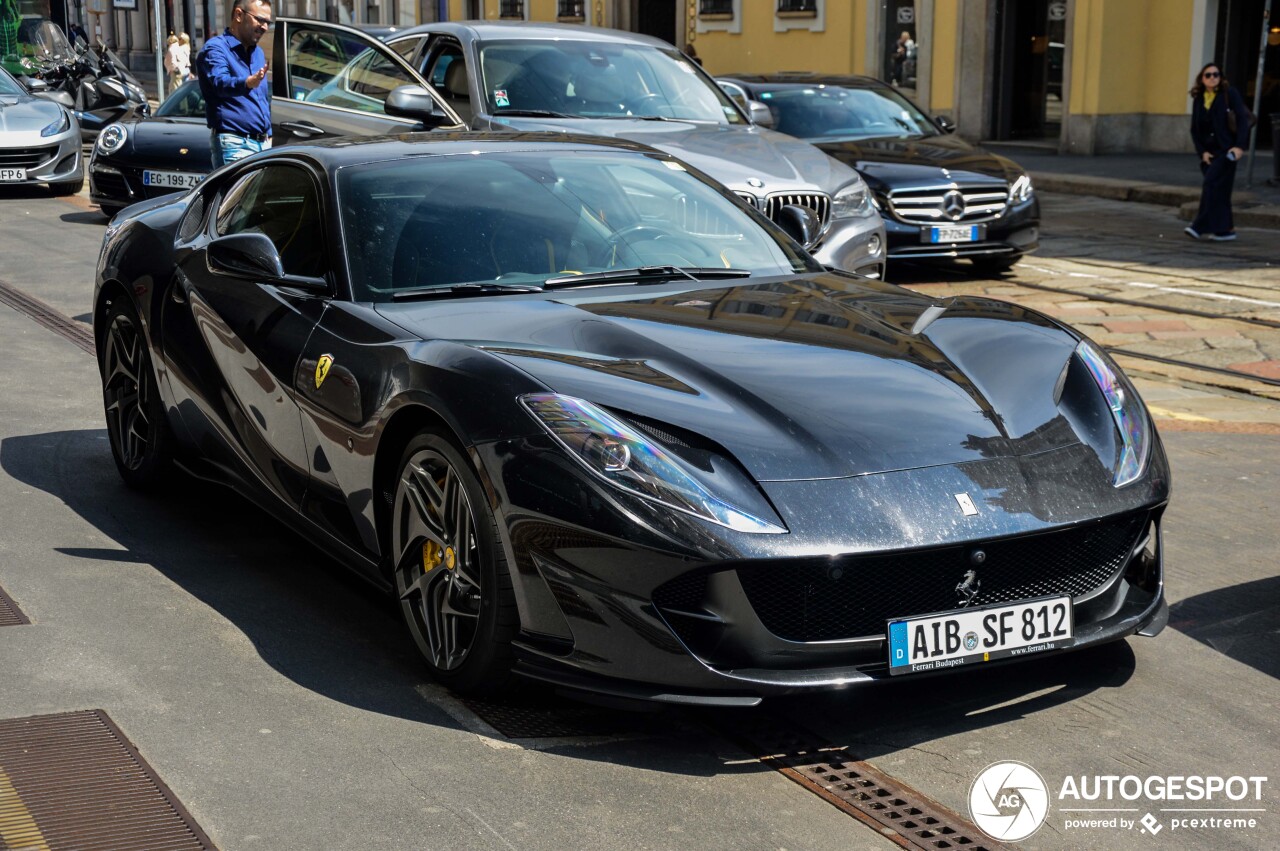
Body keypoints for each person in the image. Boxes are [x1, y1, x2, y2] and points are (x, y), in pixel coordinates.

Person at [197, 0, 273, 169]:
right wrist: (247, 83)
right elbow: (220, 83)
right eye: (260, 20)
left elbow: (262, 99)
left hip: (263, 146)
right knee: (236, 196)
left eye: (267, 22)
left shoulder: (258, 53)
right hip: (234, 144)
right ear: (239, 15)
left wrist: (268, 133)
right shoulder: (216, 48)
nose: (265, 27)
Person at [1185, 62, 1249, 242]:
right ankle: (1225, 230)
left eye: (1216, 74)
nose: (1213, 78)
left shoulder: (1230, 94)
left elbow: (1242, 121)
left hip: (1227, 150)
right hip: (1209, 152)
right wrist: (1202, 152)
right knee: (1220, 190)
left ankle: (1199, 226)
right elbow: (1194, 129)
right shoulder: (1199, 98)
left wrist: (1239, 146)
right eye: (1208, 75)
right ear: (1202, 79)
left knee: (1211, 184)